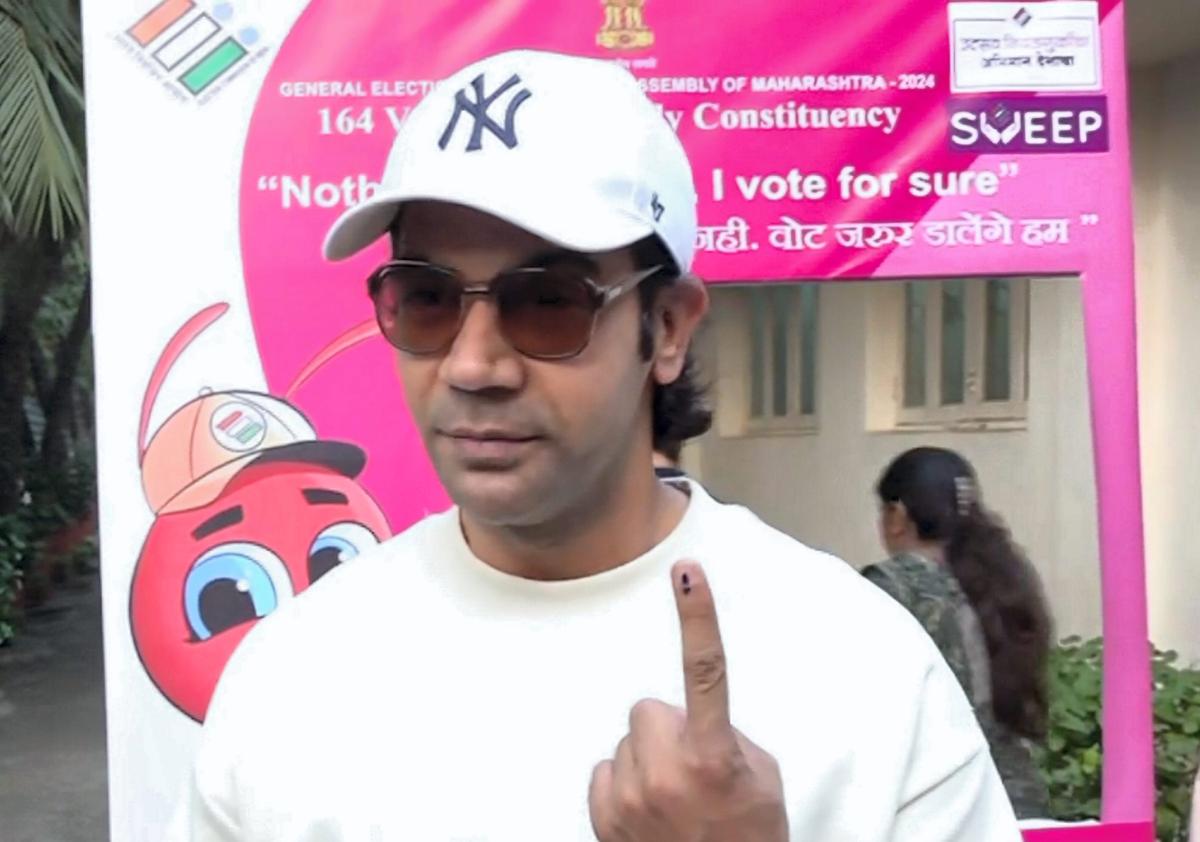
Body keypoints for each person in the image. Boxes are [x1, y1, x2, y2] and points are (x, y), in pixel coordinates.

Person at [174, 50, 1021, 841]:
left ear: (667, 328)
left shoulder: (860, 671)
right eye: (427, 297)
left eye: (547, 300)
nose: (472, 364)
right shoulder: (290, 676)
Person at [863, 447, 1053, 819]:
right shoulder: (1006, 583)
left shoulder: (889, 588)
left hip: (943, 811)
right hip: (1020, 805)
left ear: (897, 516)